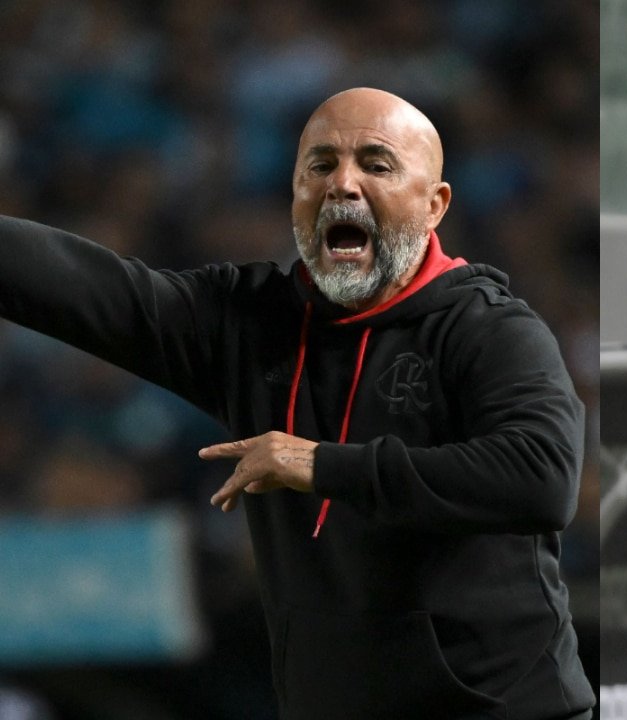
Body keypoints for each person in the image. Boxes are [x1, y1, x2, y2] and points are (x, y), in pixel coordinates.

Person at [0, 87, 594, 720]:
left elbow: (542, 479)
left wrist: (322, 464)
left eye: (376, 164)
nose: (342, 183)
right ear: (295, 195)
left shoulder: (490, 329)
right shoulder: (249, 324)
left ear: (434, 204)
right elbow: (93, 290)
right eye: (320, 165)